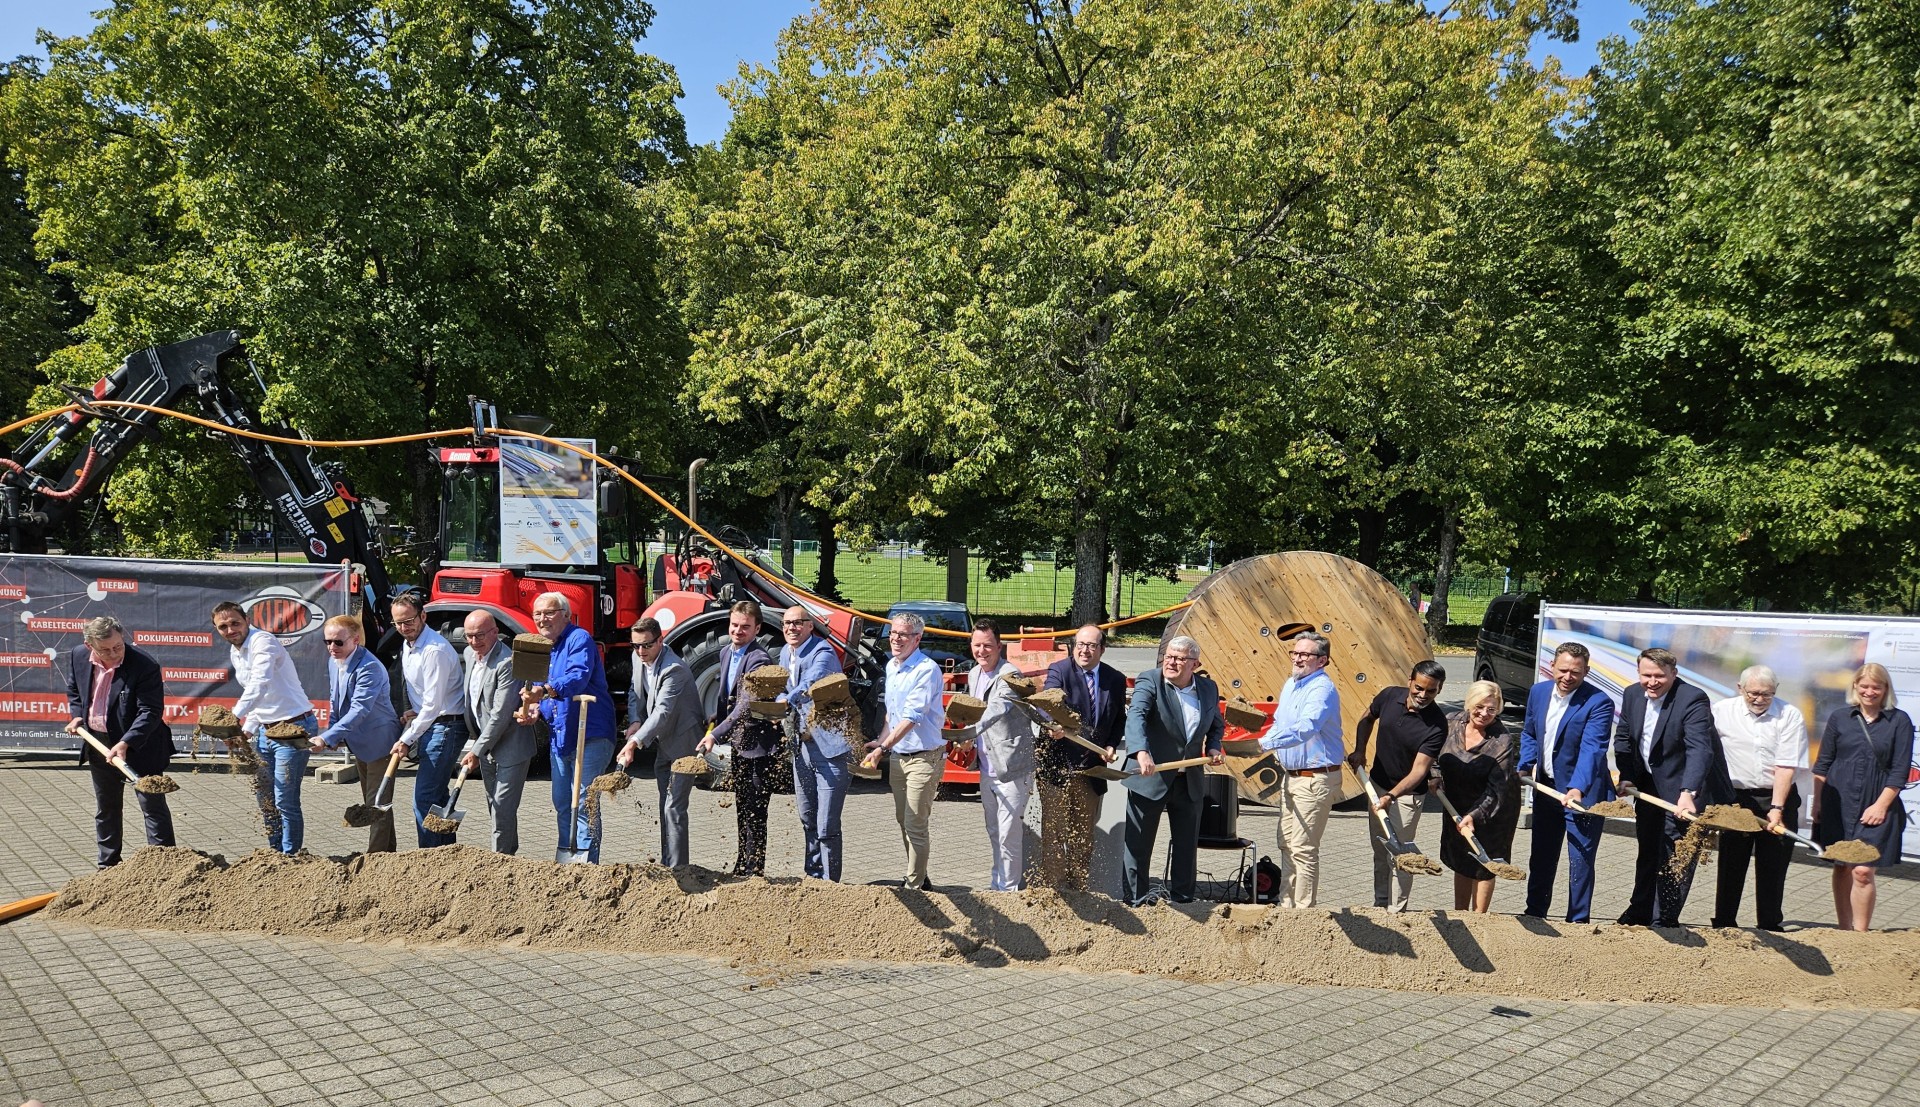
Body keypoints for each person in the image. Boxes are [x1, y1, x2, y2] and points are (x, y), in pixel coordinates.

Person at [1612, 646, 1731, 927]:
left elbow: (1700, 749)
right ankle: (1639, 910)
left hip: (1684, 791)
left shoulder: (1692, 699)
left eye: (1659, 676)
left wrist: (1688, 792)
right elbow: (1624, 739)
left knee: (1675, 855)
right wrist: (1627, 775)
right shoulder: (1631, 694)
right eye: (1646, 675)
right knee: (1649, 850)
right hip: (1649, 786)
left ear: (1673, 674)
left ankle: (1664, 918)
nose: (1652, 682)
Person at [1120, 636, 1225, 905]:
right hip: (1150, 776)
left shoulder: (1208, 689)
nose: (1171, 662)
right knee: (1139, 846)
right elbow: (1137, 715)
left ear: (1194, 664)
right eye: (1169, 656)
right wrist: (1140, 751)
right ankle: (1135, 901)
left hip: (1188, 780)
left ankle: (1183, 900)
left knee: (1186, 847)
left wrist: (1213, 747)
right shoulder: (1150, 680)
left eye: (1179, 658)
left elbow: (1216, 724)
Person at [1517, 641, 1616, 923]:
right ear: (1552, 666)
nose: (1567, 677)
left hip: (1582, 794)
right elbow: (1530, 733)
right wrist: (1525, 764)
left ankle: (1578, 919)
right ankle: (1534, 913)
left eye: (1575, 672)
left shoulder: (1598, 702)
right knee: (1542, 856)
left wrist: (1578, 787)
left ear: (1586, 671)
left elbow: (1593, 749)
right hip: (1547, 788)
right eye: (1562, 670)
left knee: (1580, 860)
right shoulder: (1538, 692)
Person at [64, 616, 174, 868]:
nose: (113, 653)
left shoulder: (144, 665)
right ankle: (108, 866)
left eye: (118, 646)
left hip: (140, 744)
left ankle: (166, 866)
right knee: (107, 808)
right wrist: (77, 715)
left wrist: (126, 743)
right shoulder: (78, 656)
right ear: (89, 645)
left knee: (152, 806)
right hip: (99, 743)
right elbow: (74, 691)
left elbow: (150, 710)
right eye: (105, 649)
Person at [1813, 662, 1912, 932]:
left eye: (1876, 687)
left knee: (1863, 870)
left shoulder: (1899, 721)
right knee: (1842, 866)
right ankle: (1845, 930)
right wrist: (1818, 803)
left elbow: (1900, 770)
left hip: (1878, 803)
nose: (1869, 692)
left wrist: (1881, 805)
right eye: (1864, 686)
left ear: (1885, 689)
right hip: (1839, 803)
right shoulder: (1839, 718)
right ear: (1855, 686)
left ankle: (1861, 934)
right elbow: (1823, 764)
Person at [518, 592, 616, 861]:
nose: (541, 619)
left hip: (591, 733)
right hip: (561, 737)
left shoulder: (579, 639)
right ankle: (567, 861)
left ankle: (585, 868)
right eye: (537, 614)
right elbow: (548, 698)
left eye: (548, 613)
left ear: (565, 614)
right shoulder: (542, 647)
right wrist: (536, 710)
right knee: (563, 802)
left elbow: (576, 678)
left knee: (584, 802)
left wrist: (546, 691)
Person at [213, 599, 316, 854]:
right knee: (265, 798)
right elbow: (260, 698)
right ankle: (273, 854)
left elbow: (261, 683)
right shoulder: (236, 651)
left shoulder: (263, 642)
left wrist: (232, 718)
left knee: (284, 800)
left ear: (247, 620)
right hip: (264, 732)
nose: (230, 630)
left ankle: (290, 857)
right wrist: (247, 729)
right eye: (222, 627)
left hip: (293, 729)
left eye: (235, 623)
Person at [1710, 665, 1808, 930]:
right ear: (1740, 689)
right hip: (1736, 798)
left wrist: (1776, 809)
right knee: (1732, 863)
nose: (1759, 699)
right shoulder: (1721, 712)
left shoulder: (1789, 715)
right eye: (1753, 693)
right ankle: (1724, 922)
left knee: (1773, 865)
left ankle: (1769, 923)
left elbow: (1787, 765)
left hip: (1778, 796)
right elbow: (1707, 752)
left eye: (1767, 694)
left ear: (1775, 691)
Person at [1349, 660, 1448, 912]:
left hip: (1406, 798)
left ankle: (1398, 909)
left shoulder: (1437, 725)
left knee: (1401, 855)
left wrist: (1392, 796)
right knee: (1380, 849)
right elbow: (1367, 718)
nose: (1423, 695)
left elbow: (1419, 771)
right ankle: (1380, 904)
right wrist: (1360, 750)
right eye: (1419, 688)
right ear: (1410, 682)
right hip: (1377, 785)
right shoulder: (1390, 695)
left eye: (1431, 691)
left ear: (1439, 689)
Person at [1253, 632, 1342, 908]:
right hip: (1291, 779)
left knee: (1303, 849)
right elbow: (1280, 724)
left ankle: (1304, 915)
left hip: (1315, 779)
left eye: (1306, 655)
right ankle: (1286, 906)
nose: (1298, 659)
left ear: (1322, 660)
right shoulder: (1291, 684)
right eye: (1295, 653)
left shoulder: (1322, 690)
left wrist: (1262, 744)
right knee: (1287, 843)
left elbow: (1306, 727)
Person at [863, 612, 946, 891]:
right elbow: (893, 714)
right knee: (904, 821)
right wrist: (881, 741)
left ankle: (913, 886)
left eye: (903, 635)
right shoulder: (892, 666)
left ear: (917, 638)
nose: (896, 639)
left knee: (915, 824)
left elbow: (911, 717)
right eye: (893, 634)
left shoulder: (927, 670)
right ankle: (920, 876)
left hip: (925, 757)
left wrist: (884, 748)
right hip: (899, 757)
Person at [1038, 624, 1126, 890]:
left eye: (1090, 645)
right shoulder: (1060, 671)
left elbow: (1118, 719)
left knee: (1083, 834)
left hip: (1091, 770)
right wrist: (1053, 723)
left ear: (1102, 648)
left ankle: (1079, 889)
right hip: (1057, 767)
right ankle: (1055, 891)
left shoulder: (1115, 679)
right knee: (1055, 832)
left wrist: (1111, 745)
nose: (1084, 650)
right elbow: (1047, 702)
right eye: (1080, 645)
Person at [617, 616, 705, 868]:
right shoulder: (638, 658)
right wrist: (634, 720)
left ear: (661, 640)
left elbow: (662, 712)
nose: (641, 651)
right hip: (663, 744)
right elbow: (635, 693)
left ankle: (679, 869)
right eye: (636, 646)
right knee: (664, 805)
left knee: (673, 808)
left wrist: (634, 742)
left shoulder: (674, 669)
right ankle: (668, 863)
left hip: (683, 743)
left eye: (646, 645)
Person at [702, 600, 779, 876]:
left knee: (756, 811)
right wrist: (714, 717)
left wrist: (717, 734)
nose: (738, 631)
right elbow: (729, 697)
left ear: (757, 628)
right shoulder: (726, 652)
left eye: (745, 627)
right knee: (742, 807)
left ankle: (754, 869)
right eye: (734, 625)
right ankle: (741, 863)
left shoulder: (759, 659)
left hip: (758, 748)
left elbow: (746, 705)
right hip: (739, 745)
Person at [312, 615, 401, 852]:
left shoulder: (369, 667)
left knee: (375, 804)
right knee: (377, 803)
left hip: (381, 743)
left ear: (355, 640)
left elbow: (360, 708)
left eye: (338, 642)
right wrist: (333, 734)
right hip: (358, 741)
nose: (332, 647)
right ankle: (388, 853)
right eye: (327, 642)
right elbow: (336, 700)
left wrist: (326, 737)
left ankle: (374, 859)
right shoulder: (335, 661)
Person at [389, 593, 467, 848]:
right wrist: (415, 710)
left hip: (447, 727)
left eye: (409, 621)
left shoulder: (435, 650)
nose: (404, 628)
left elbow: (434, 706)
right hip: (434, 722)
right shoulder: (408, 644)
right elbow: (426, 698)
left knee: (423, 798)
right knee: (437, 797)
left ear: (423, 616)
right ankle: (447, 852)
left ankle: (430, 857)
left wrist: (405, 739)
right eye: (398, 623)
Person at [458, 611, 538, 856]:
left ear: (495, 632)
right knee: (494, 806)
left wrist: (475, 750)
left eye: (480, 635)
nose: (474, 641)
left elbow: (500, 715)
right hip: (487, 745)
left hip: (511, 746)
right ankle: (509, 855)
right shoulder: (469, 654)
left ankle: (498, 861)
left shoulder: (507, 662)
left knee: (502, 807)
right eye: (469, 636)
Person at [777, 606, 849, 881]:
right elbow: (783, 685)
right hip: (801, 747)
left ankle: (831, 884)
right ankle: (812, 876)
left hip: (828, 749)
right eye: (786, 624)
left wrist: (788, 699)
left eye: (797, 623)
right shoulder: (786, 652)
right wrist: (776, 700)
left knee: (826, 825)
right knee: (807, 816)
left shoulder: (823, 652)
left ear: (810, 626)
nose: (791, 628)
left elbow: (812, 681)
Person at [1435, 680, 1519, 912]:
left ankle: (1479, 919)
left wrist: (1474, 815)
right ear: (1469, 703)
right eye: (1479, 706)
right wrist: (1434, 775)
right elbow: (1432, 752)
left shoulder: (1501, 741)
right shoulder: (1451, 722)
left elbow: (1497, 789)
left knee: (1484, 864)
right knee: (1462, 860)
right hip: (1456, 802)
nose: (1484, 713)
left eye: (1491, 709)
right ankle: (1460, 915)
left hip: (1493, 808)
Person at [967, 620, 1036, 892]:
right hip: (986, 766)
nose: (982, 651)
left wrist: (966, 731)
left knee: (1009, 833)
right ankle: (997, 883)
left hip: (1012, 768)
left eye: (987, 645)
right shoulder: (974, 674)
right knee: (994, 831)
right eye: (977, 645)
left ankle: (1009, 892)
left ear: (999, 646)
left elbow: (996, 708)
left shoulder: (1011, 675)